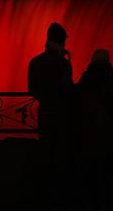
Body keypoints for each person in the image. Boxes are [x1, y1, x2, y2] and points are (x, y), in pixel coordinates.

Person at [28, 22, 74, 209]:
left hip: (45, 113)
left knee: (45, 153)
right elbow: (68, 90)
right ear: (62, 40)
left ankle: (43, 195)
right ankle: (59, 196)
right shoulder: (63, 64)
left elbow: (32, 90)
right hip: (61, 115)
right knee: (60, 155)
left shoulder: (35, 62)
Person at [74, 49, 113, 211]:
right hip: (107, 132)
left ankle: (89, 199)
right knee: (106, 167)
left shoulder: (86, 79)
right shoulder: (112, 81)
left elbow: (77, 100)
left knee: (90, 167)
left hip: (88, 130)